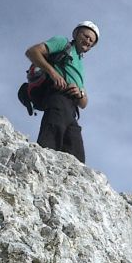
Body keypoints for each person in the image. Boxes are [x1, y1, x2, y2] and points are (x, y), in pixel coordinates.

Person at [25, 21, 100, 163]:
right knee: (49, 146)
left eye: (92, 41)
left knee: (76, 158)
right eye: (86, 36)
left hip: (72, 110)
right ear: (76, 34)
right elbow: (32, 52)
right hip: (57, 98)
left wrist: (80, 93)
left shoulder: (80, 65)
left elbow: (84, 104)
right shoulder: (62, 43)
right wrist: (53, 73)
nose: (88, 41)